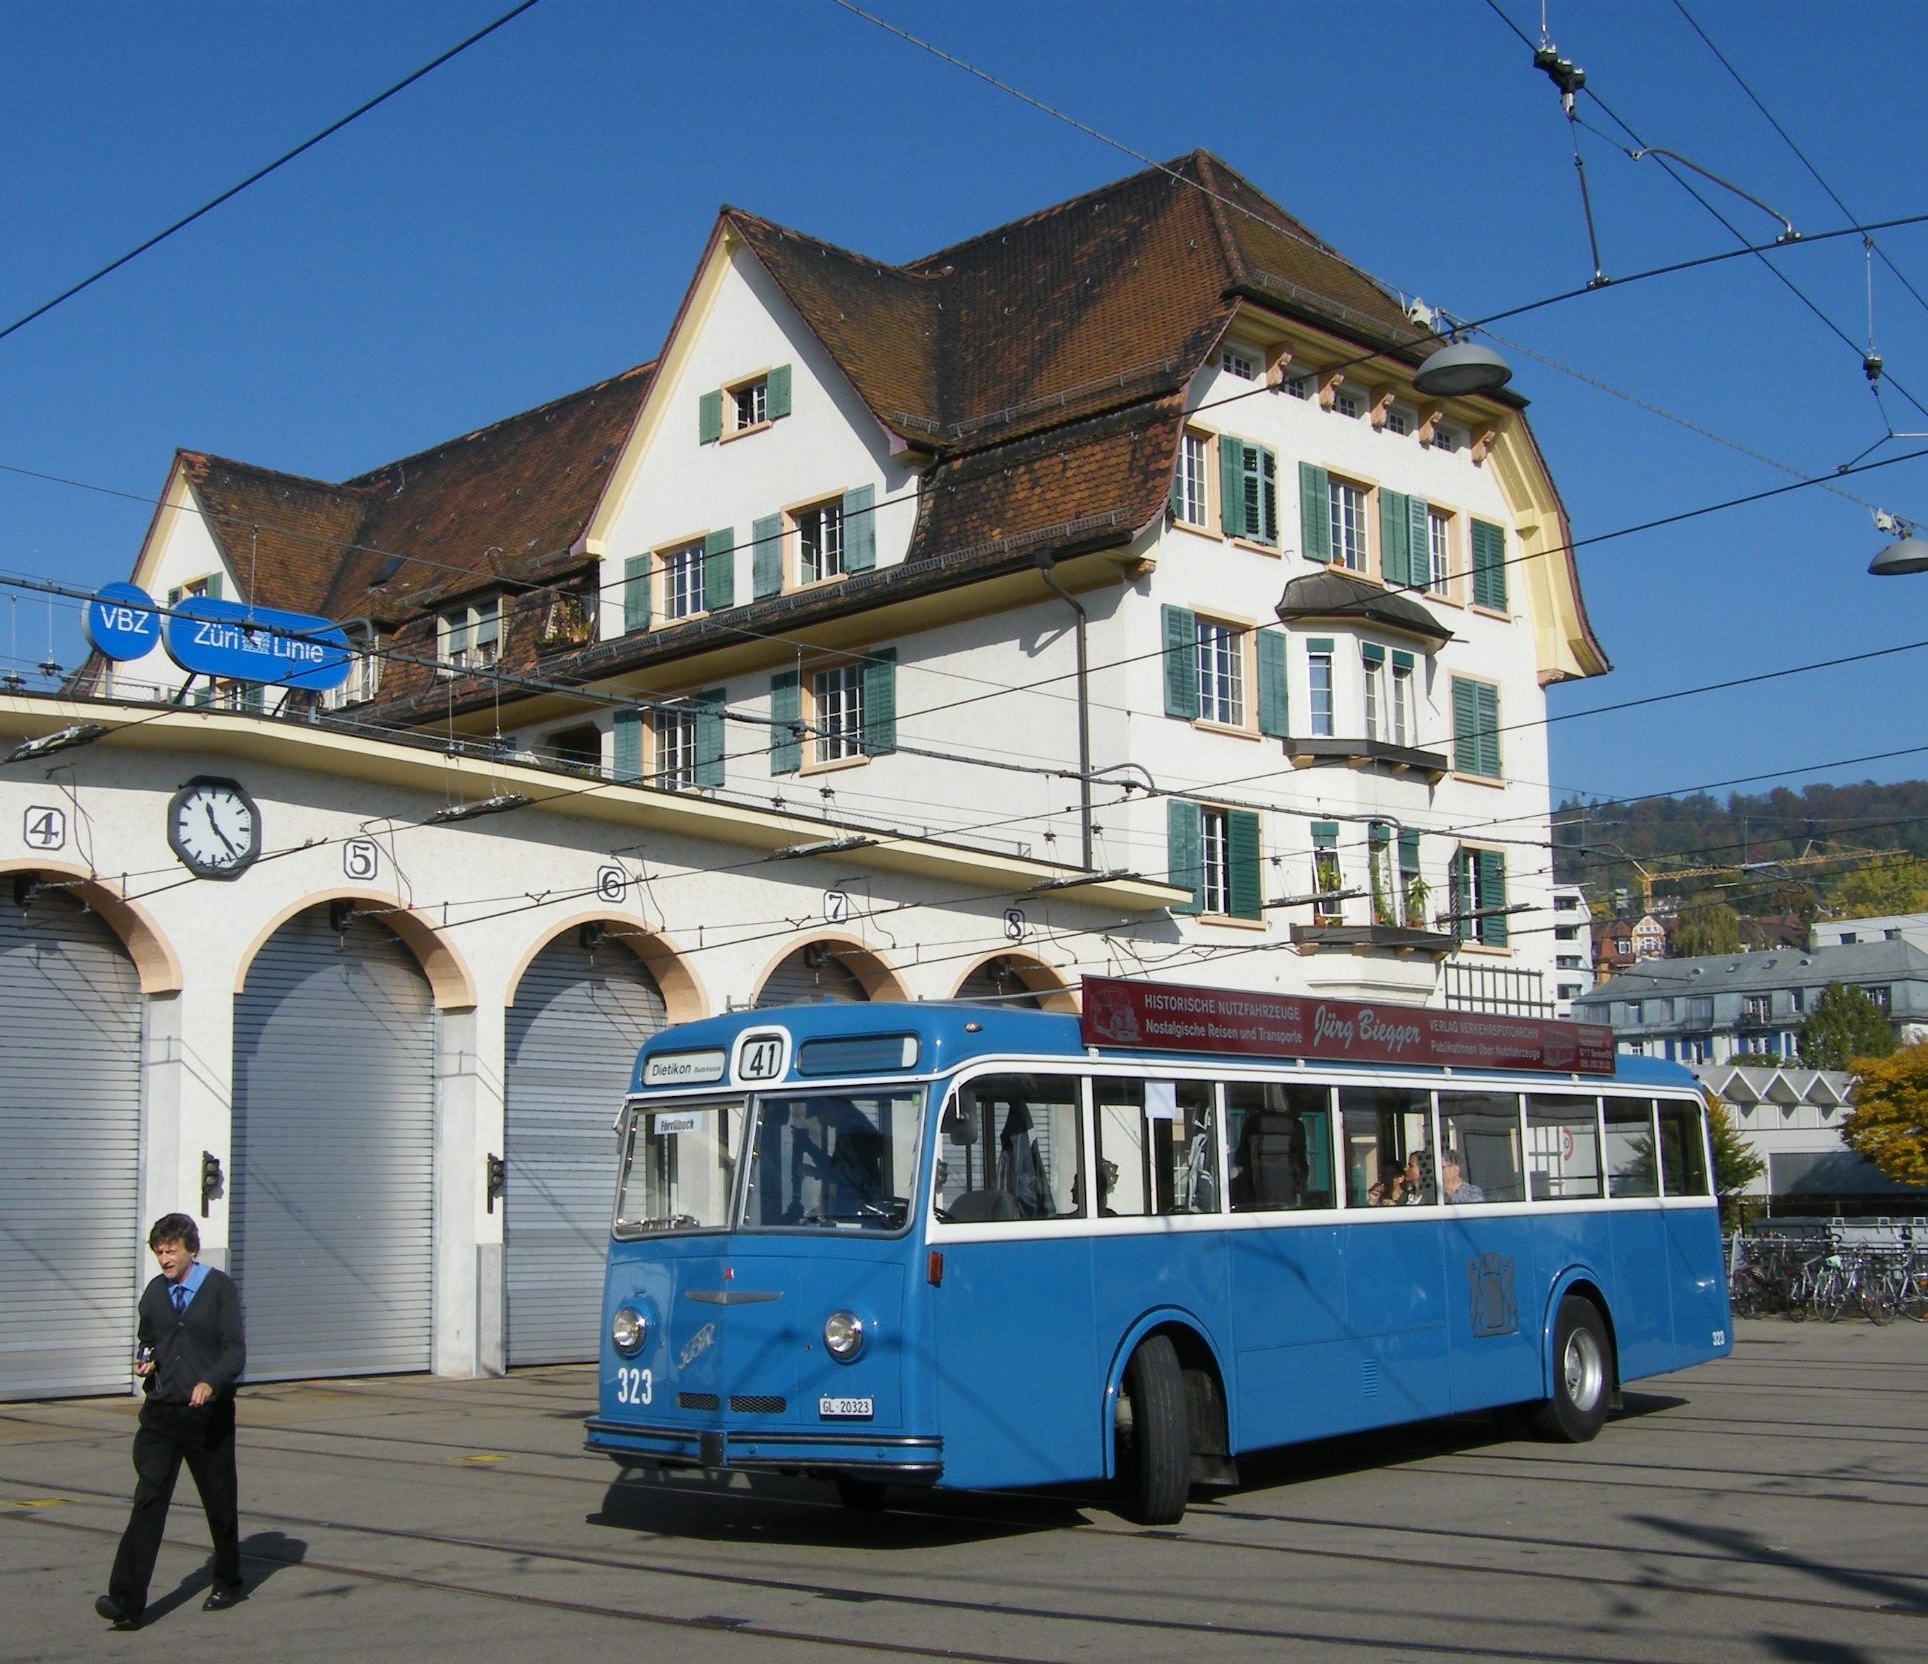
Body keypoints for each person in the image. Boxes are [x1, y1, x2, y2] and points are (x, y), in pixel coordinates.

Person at [96, 1213, 246, 1630]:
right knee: (147, 1500)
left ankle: (228, 1579)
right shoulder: (155, 1294)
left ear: (190, 1250)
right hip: (162, 1414)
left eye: (171, 1251)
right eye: (159, 1252)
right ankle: (125, 1601)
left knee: (218, 1503)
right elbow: (149, 1339)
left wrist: (210, 1382)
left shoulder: (218, 1290)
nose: (164, 1259)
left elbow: (234, 1351)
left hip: (207, 1417)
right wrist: (147, 1361)